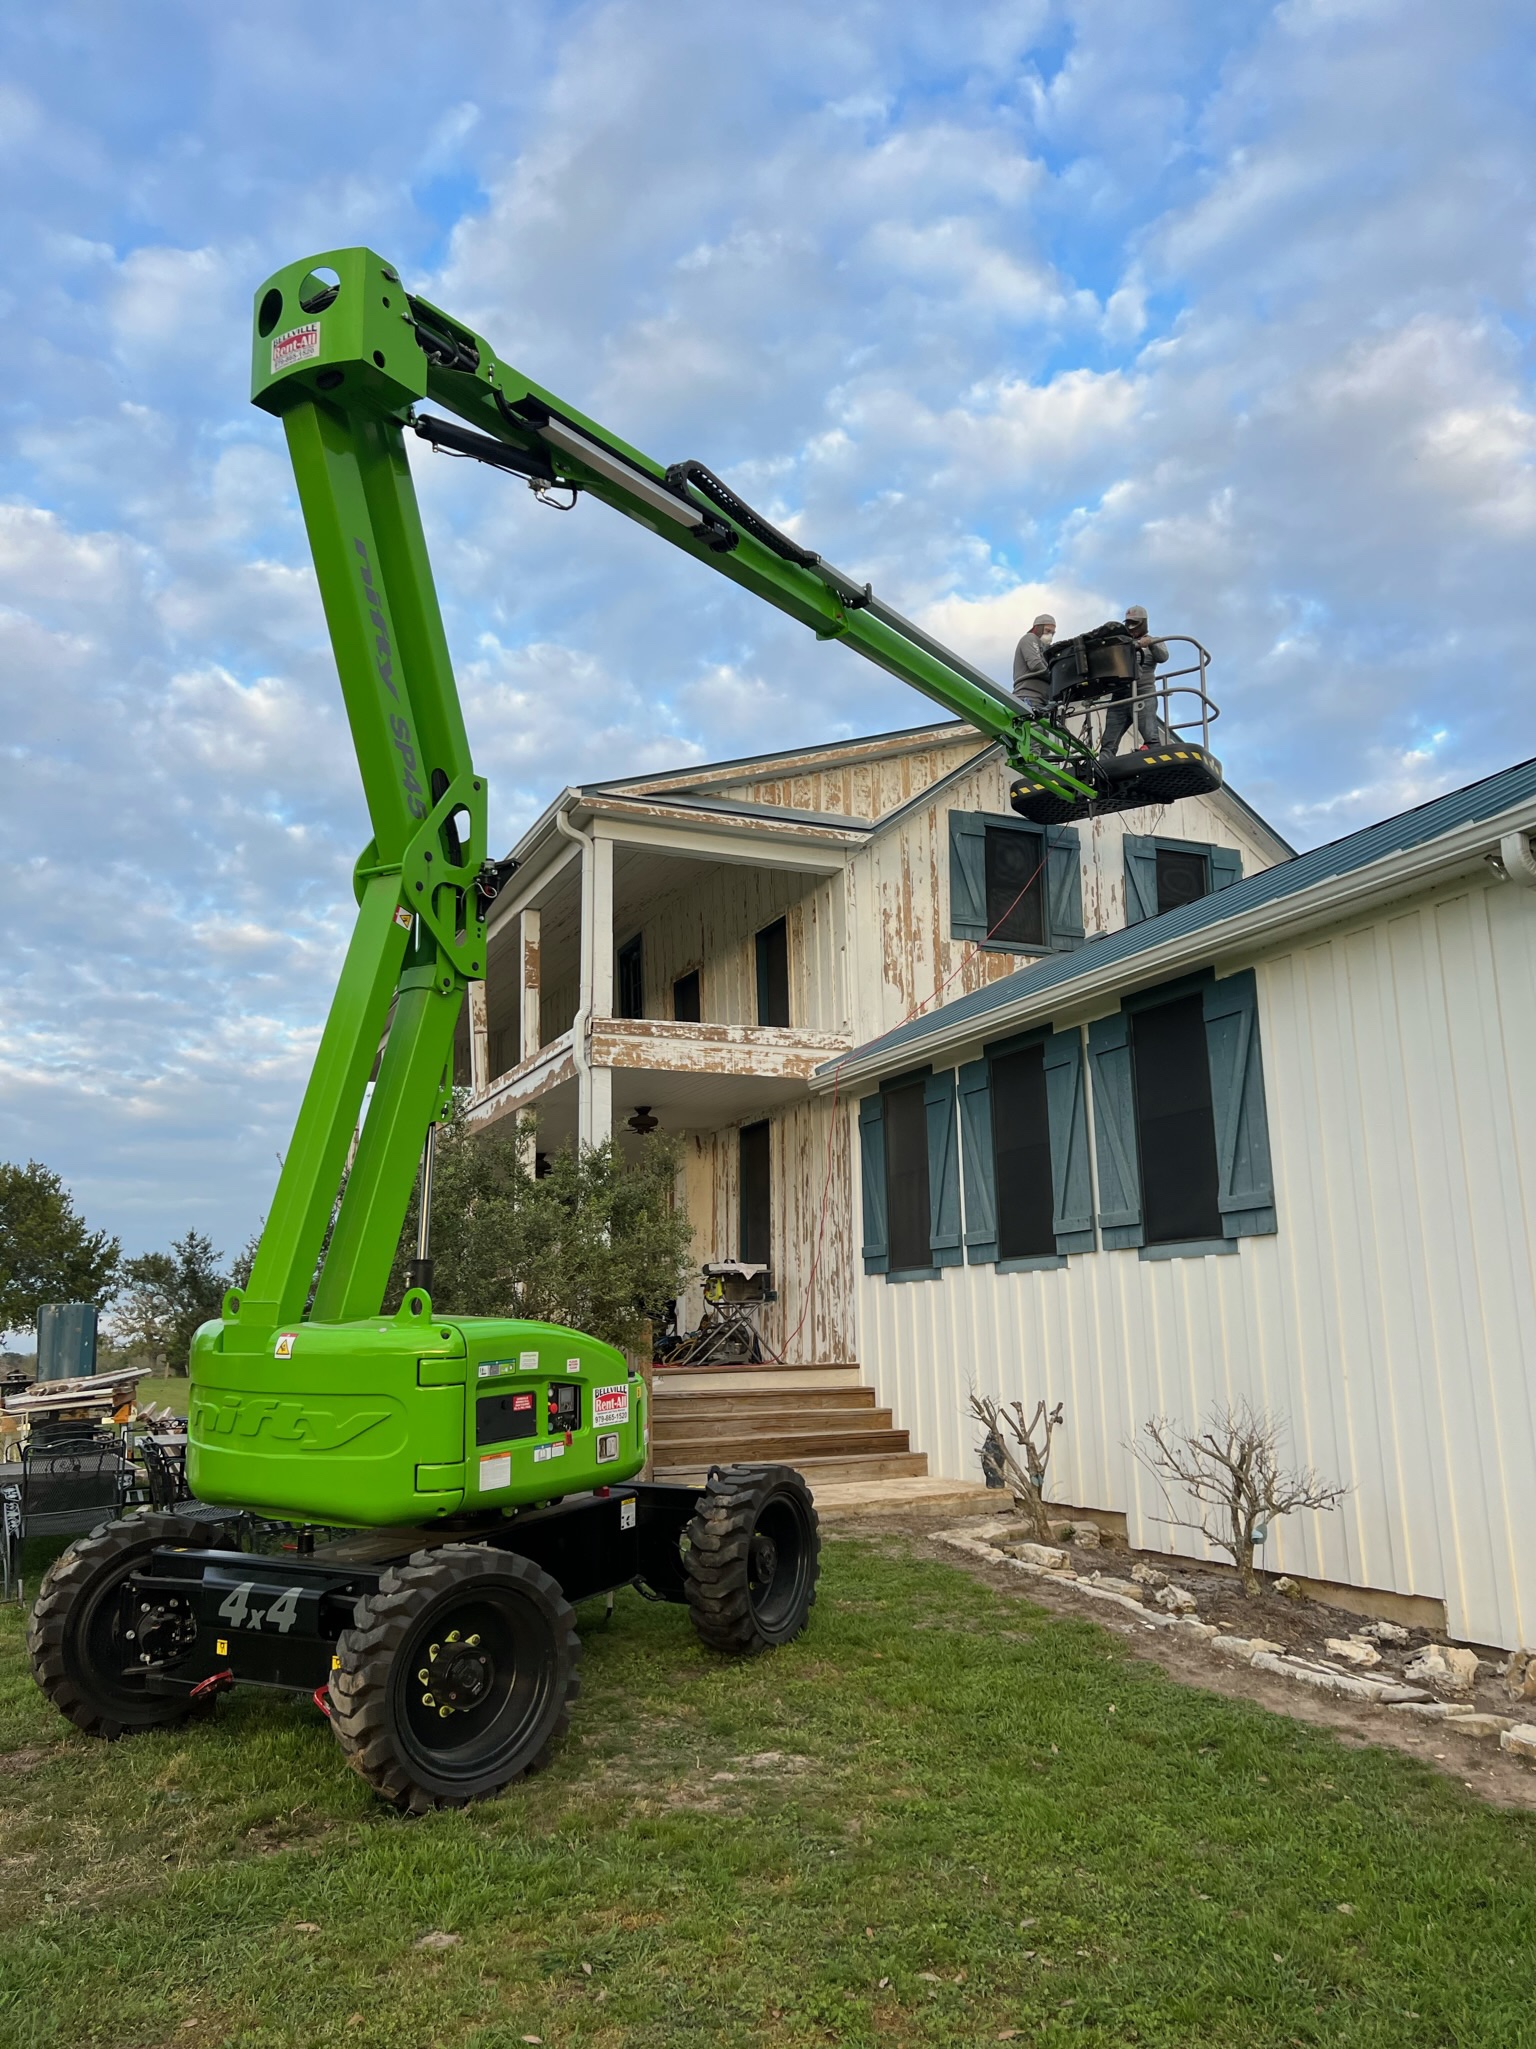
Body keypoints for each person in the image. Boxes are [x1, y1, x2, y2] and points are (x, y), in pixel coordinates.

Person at [1099, 603, 1168, 756]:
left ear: (1143, 623)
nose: (1131, 627)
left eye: (1134, 623)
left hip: (1144, 694)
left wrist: (1151, 644)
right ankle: (1103, 763)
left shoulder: (1154, 641)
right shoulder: (1121, 644)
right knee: (1108, 742)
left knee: (1151, 736)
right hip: (1120, 696)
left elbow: (1163, 657)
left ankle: (1154, 755)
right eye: (1129, 623)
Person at [1011, 612, 1056, 716]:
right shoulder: (1030, 638)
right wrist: (1055, 677)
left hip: (1043, 702)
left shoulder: (1045, 649)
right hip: (1028, 698)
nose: (1050, 635)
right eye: (1047, 631)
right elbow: (1036, 665)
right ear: (1037, 628)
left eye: (1052, 633)